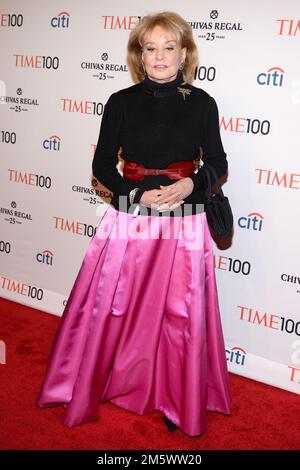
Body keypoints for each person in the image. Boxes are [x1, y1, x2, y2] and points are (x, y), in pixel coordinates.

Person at [36, 10, 231, 438]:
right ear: (139, 56)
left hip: (183, 223)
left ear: (184, 55)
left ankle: (177, 395)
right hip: (129, 221)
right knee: (113, 307)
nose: (159, 57)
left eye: (169, 48)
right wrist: (138, 194)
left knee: (178, 315)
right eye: (150, 48)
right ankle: (102, 381)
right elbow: (102, 165)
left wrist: (190, 186)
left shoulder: (202, 103)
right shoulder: (120, 102)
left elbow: (217, 162)